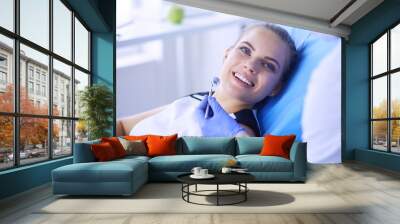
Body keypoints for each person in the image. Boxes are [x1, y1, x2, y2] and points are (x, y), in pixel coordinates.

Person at [116, 23, 298, 137]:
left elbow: (248, 156)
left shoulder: (240, 128)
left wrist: (238, 135)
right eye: (245, 50)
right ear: (227, 54)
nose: (251, 65)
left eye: (268, 65)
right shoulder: (194, 100)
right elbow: (123, 126)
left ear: (276, 87)